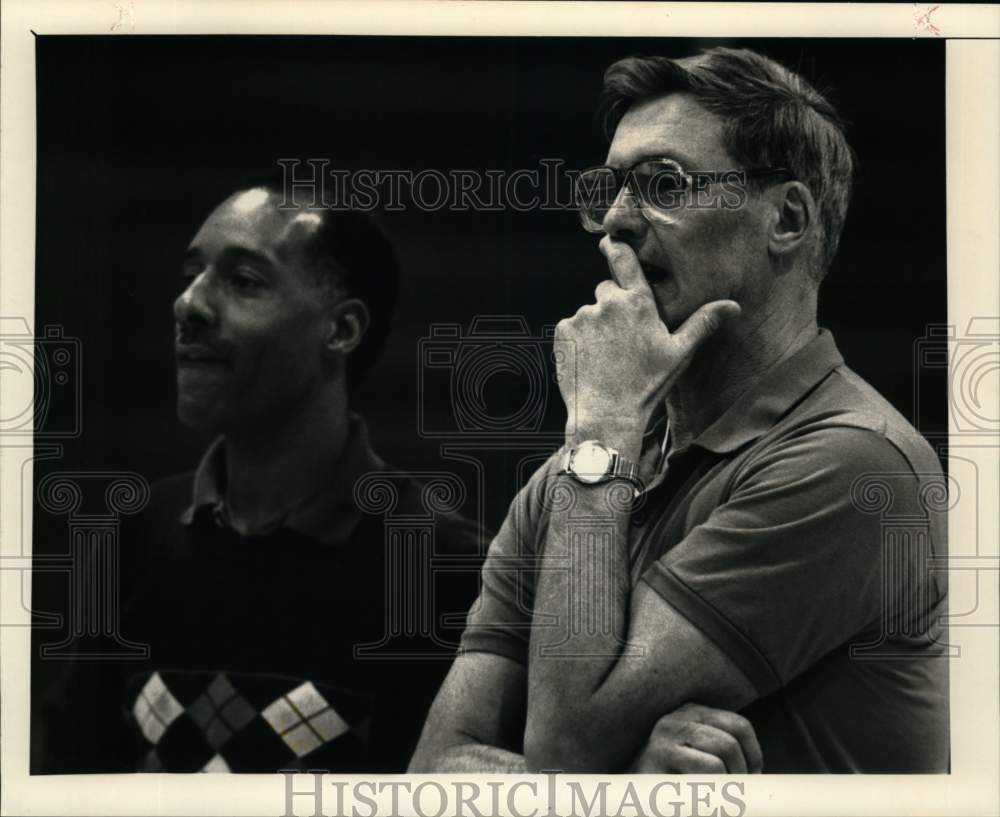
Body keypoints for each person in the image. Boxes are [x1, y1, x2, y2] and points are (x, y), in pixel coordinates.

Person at [410, 47, 949, 774]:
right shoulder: (571, 482)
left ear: (786, 218)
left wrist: (598, 430)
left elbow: (565, 745)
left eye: (664, 183)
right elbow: (436, 769)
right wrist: (625, 779)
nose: (616, 223)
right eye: (609, 189)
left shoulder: (853, 462)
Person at [36, 181, 485, 773]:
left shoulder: (444, 568)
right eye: (192, 273)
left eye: (243, 281)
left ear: (342, 330)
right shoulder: (126, 537)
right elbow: (68, 784)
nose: (188, 304)